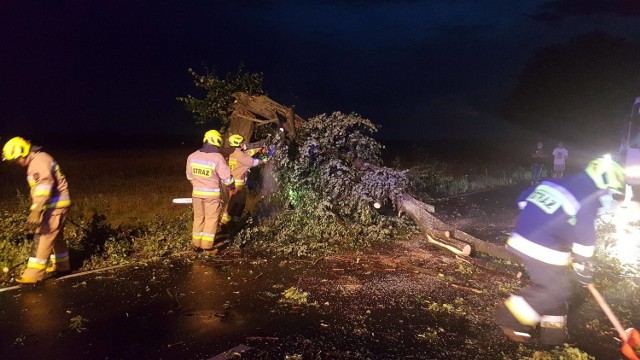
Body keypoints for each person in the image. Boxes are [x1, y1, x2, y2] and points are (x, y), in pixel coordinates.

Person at [495, 155, 625, 346]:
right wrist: (584, 265)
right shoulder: (589, 195)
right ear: (604, 181)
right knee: (557, 290)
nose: (607, 195)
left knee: (555, 284)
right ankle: (510, 319)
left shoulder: (557, 182)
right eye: (608, 190)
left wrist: (539, 218)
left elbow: (523, 197)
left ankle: (553, 336)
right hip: (540, 246)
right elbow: (585, 233)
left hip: (520, 237)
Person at [2, 137, 72, 284]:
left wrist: (37, 209)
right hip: (59, 204)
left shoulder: (38, 162)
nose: (17, 163)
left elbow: (44, 186)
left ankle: (33, 274)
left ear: (24, 151)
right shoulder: (41, 159)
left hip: (55, 205)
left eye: (17, 159)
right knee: (56, 236)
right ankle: (62, 265)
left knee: (43, 236)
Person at [186, 130, 235, 254]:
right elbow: (226, 177)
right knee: (211, 219)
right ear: (217, 140)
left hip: (196, 194)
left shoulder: (192, 156)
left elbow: (189, 176)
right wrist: (232, 186)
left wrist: (198, 186)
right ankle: (207, 247)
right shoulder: (217, 157)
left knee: (198, 218)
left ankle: (196, 244)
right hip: (212, 196)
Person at [220, 134, 268, 225]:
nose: (243, 144)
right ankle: (224, 223)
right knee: (233, 203)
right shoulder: (238, 154)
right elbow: (251, 162)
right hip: (237, 182)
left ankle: (234, 221)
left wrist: (259, 147)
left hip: (237, 181)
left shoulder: (235, 152)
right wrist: (263, 161)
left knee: (240, 202)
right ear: (237, 142)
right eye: (241, 142)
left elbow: (248, 153)